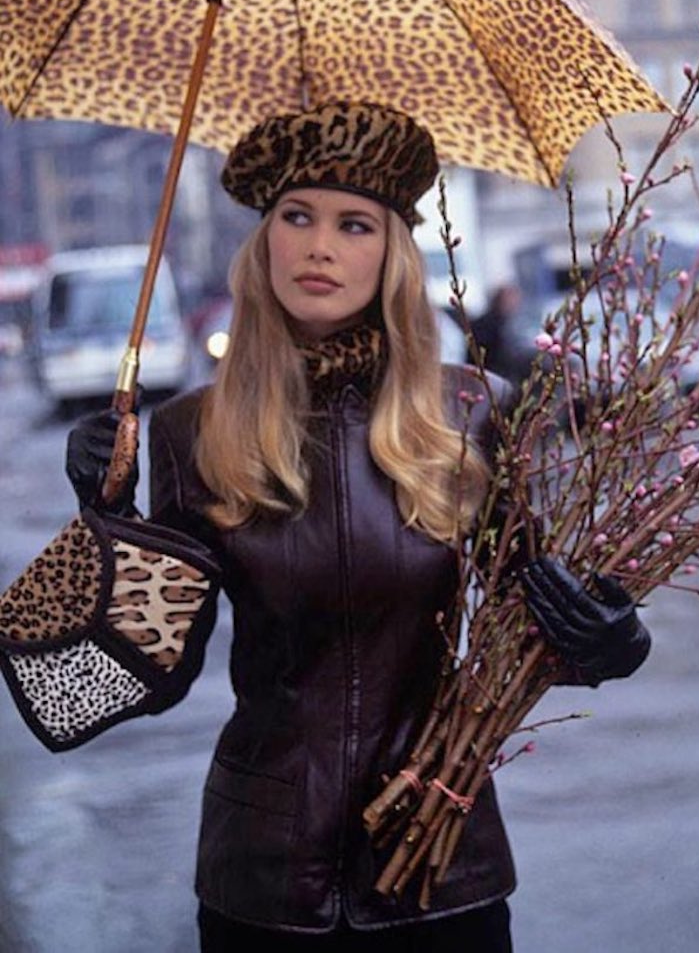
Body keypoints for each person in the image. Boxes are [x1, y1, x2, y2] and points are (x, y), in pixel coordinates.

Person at [65, 102, 651, 952]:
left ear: (394, 255)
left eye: (354, 224)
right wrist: (109, 523)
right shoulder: (194, 431)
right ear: (263, 244)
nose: (320, 246)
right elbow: (155, 679)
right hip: (263, 878)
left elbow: (530, 617)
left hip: (440, 868)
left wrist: (610, 641)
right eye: (296, 217)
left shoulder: (469, 411)